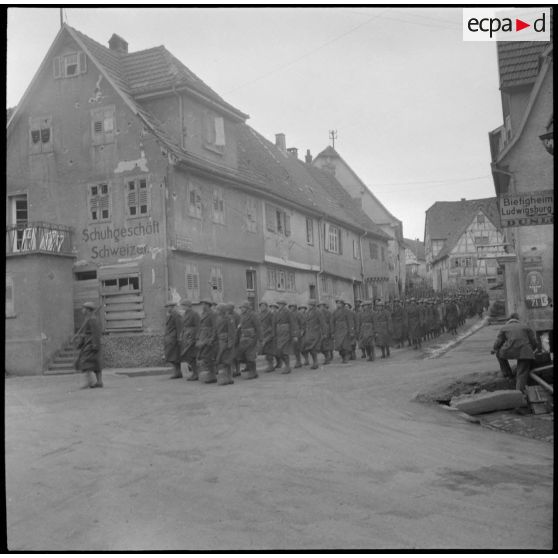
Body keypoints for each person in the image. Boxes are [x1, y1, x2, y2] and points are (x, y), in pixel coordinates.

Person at [492, 313, 540, 393]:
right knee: (522, 373)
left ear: (509, 320)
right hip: (525, 351)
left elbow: (498, 343)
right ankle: (519, 393)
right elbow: (534, 343)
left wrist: (495, 349)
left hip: (508, 351)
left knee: (498, 353)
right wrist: (531, 351)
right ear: (518, 320)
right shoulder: (526, 327)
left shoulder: (504, 328)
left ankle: (508, 374)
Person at [75, 301, 103, 388]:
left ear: (88, 310)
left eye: (83, 308)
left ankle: (89, 381)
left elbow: (96, 333)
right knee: (94, 363)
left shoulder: (92, 319)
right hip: (88, 343)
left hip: (91, 344)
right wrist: (80, 342)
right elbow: (84, 333)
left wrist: (95, 345)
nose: (82, 310)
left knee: (85, 362)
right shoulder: (88, 319)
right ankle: (99, 382)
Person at [237, 300, 262, 380]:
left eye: (243, 307)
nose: (241, 309)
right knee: (245, 355)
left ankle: (253, 372)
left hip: (252, 338)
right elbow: (240, 327)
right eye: (241, 308)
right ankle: (252, 371)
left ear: (247, 307)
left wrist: (259, 338)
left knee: (250, 356)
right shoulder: (242, 315)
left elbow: (258, 327)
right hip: (244, 338)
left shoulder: (253, 315)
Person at [273, 300, 299, 374]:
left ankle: (287, 366)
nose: (280, 305)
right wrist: (274, 334)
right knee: (279, 351)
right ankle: (286, 365)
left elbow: (293, 324)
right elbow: (274, 324)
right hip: (279, 334)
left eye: (281, 304)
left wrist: (295, 335)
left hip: (286, 334)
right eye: (279, 304)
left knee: (284, 351)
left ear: (284, 305)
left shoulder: (288, 312)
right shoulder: (277, 312)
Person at [196, 299, 218, 384]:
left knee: (208, 357)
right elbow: (200, 326)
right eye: (202, 304)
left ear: (208, 305)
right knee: (203, 356)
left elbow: (215, 327)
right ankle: (209, 375)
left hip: (208, 338)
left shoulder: (212, 314)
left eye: (204, 304)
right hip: (202, 337)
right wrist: (198, 337)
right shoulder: (203, 314)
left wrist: (212, 338)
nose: (203, 306)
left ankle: (212, 376)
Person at [215, 303, 236, 385]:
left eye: (218, 309)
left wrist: (230, 343)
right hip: (220, 341)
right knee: (222, 359)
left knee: (227, 360)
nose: (217, 311)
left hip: (226, 342)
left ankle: (229, 378)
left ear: (222, 310)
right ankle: (225, 378)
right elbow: (216, 330)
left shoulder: (229, 318)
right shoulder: (218, 318)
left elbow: (232, 331)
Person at [301, 299, 326, 369]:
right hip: (309, 332)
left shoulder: (318, 312)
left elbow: (322, 323)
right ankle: (315, 362)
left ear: (314, 305)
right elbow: (305, 322)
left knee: (313, 348)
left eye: (311, 305)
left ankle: (315, 363)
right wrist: (303, 330)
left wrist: (324, 333)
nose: (309, 306)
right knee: (309, 348)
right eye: (309, 304)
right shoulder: (308, 312)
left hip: (315, 332)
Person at [180, 299, 200, 381]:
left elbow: (198, 326)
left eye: (183, 305)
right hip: (186, 336)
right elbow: (184, 325)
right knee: (187, 355)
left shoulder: (194, 314)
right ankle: (195, 372)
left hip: (192, 336)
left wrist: (197, 337)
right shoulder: (185, 314)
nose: (182, 307)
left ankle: (196, 373)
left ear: (188, 306)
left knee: (192, 355)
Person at [164, 301, 183, 380]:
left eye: (168, 307)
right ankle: (177, 372)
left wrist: (179, 337)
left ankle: (177, 372)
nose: (167, 308)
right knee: (172, 355)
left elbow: (179, 326)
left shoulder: (176, 314)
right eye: (167, 307)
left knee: (174, 356)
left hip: (174, 338)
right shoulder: (170, 315)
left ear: (172, 307)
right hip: (170, 337)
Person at [332, 299, 354, 364]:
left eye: (339, 303)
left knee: (345, 344)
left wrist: (351, 331)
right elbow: (332, 322)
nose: (338, 305)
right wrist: (332, 331)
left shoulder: (347, 311)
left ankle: (346, 357)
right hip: (337, 329)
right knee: (339, 345)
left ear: (342, 304)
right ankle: (342, 356)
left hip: (345, 329)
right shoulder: (335, 312)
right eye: (337, 303)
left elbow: (350, 322)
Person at [258, 301, 276, 373]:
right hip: (262, 334)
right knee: (265, 350)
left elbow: (273, 324)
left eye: (263, 306)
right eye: (261, 306)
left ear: (266, 306)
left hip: (269, 334)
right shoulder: (259, 314)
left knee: (269, 351)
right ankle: (270, 365)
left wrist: (271, 332)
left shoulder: (270, 314)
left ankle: (271, 365)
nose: (262, 307)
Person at [289, 303, 305, 368]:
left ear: (295, 307)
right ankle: (298, 361)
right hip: (291, 333)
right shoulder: (289, 314)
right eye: (291, 306)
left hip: (297, 332)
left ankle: (298, 361)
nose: (292, 308)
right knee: (294, 348)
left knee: (297, 348)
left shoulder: (298, 314)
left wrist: (302, 331)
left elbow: (302, 323)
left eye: (293, 306)